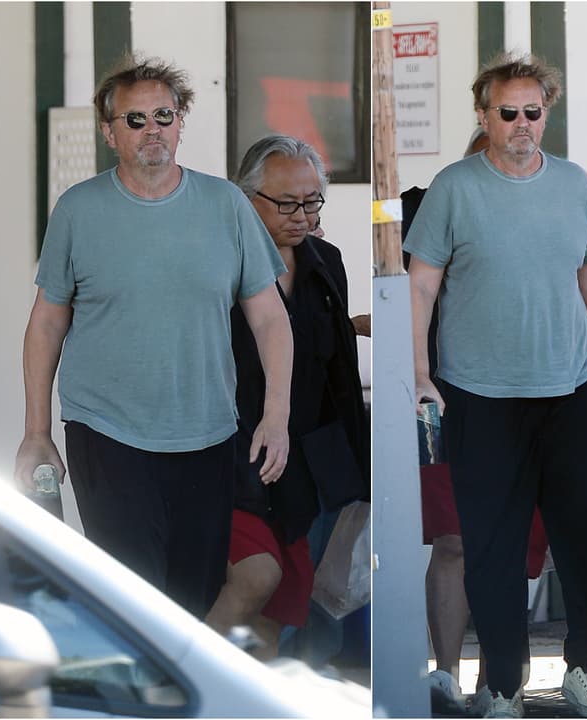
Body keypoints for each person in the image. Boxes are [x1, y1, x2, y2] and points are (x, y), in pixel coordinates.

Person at [14, 55, 292, 619]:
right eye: (135, 120)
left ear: (182, 120)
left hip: (207, 433)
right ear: (109, 132)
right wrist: (36, 431)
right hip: (107, 430)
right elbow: (47, 321)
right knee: (132, 595)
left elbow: (269, 318)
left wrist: (275, 416)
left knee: (192, 595)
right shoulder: (79, 210)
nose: (152, 131)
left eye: (163, 116)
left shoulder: (225, 205)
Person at [404, 52, 587, 719]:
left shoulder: (575, 183)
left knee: (584, 536)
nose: (522, 124)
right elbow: (420, 284)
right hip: (479, 397)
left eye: (534, 112)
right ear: (484, 115)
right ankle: (502, 686)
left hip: (571, 390)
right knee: (491, 548)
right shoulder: (453, 188)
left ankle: (584, 667)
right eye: (508, 113)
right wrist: (418, 374)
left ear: (545, 114)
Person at [204, 135, 369, 660]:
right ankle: (177, 682)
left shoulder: (326, 262)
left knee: (288, 607)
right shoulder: (218, 262)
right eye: (286, 203)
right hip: (233, 455)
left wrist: (359, 462)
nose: (301, 216)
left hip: (311, 463)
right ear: (246, 197)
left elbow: (339, 368)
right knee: (256, 578)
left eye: (312, 201)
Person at [406, 127, 553, 717]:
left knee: (512, 545)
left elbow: (583, 285)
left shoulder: (548, 210)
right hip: (450, 400)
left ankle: (502, 684)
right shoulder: (434, 214)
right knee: (453, 541)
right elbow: (407, 290)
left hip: (535, 400)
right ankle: (444, 674)